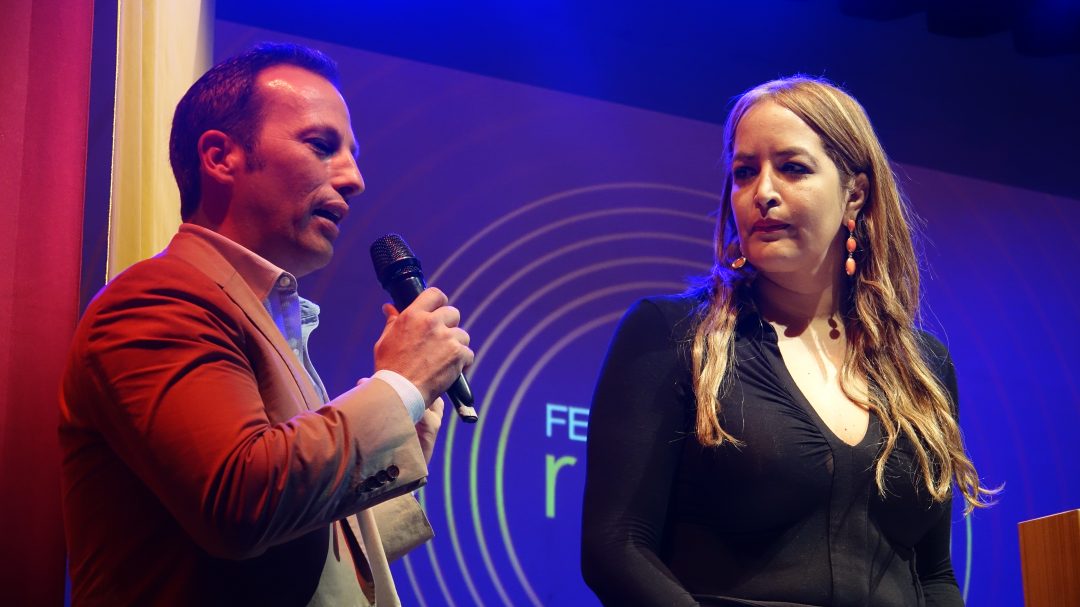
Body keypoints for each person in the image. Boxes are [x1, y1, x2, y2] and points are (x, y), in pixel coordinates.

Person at [59, 43, 473, 606]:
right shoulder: (157, 300)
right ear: (220, 156)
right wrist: (397, 386)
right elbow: (240, 503)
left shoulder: (259, 319)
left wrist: (403, 425)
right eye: (321, 145)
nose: (354, 178)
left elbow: (301, 556)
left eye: (351, 154)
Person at [580, 76, 996, 606]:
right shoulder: (672, 335)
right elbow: (617, 546)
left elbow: (935, 573)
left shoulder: (921, 365)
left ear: (855, 194)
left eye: (793, 168)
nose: (763, 193)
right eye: (744, 172)